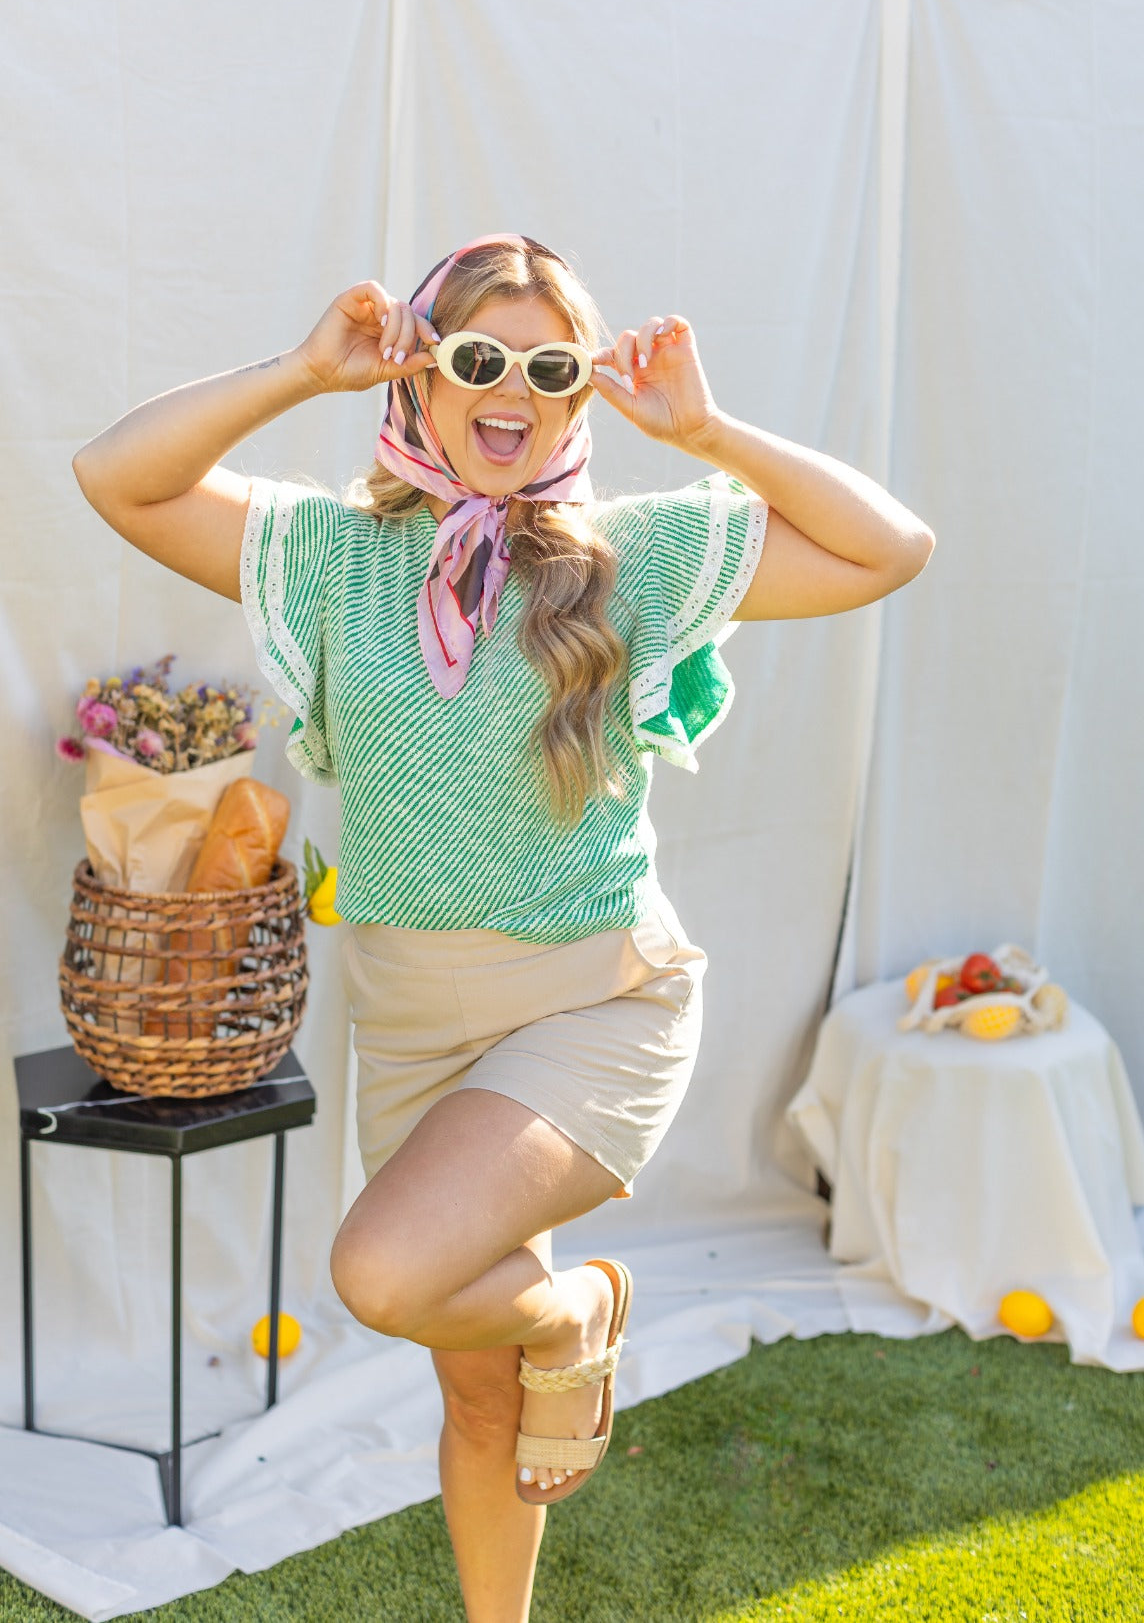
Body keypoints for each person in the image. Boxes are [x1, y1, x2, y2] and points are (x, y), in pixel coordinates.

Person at [73, 232, 934, 1622]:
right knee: (484, 1404)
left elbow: (890, 548)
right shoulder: (330, 560)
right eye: (480, 357)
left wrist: (707, 430)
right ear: (421, 374)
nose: (512, 389)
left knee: (384, 1271)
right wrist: (299, 370)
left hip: (593, 1002)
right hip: (411, 1019)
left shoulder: (630, 555)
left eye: (548, 365)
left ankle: (581, 1311)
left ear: (579, 394)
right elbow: (118, 474)